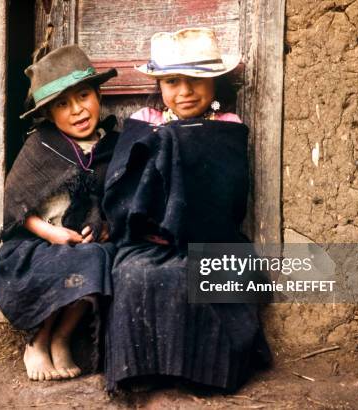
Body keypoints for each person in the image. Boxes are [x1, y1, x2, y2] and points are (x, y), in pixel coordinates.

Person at [102, 28, 271, 392]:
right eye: (172, 81)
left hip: (210, 236)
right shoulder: (144, 124)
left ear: (215, 83)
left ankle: (201, 374)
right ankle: (146, 371)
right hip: (148, 240)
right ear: (159, 85)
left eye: (196, 80)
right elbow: (122, 190)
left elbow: (228, 195)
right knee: (133, 275)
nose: (185, 91)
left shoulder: (226, 129)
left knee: (197, 276)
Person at [0, 45, 118, 381]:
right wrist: (51, 233)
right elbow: (15, 208)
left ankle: (62, 337)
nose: (77, 110)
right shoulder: (41, 147)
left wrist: (103, 226)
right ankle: (38, 340)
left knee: (96, 257)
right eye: (63, 104)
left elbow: (117, 199)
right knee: (64, 259)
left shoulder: (111, 146)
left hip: (82, 246)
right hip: (35, 248)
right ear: (48, 114)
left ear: (98, 94)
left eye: (83, 96)